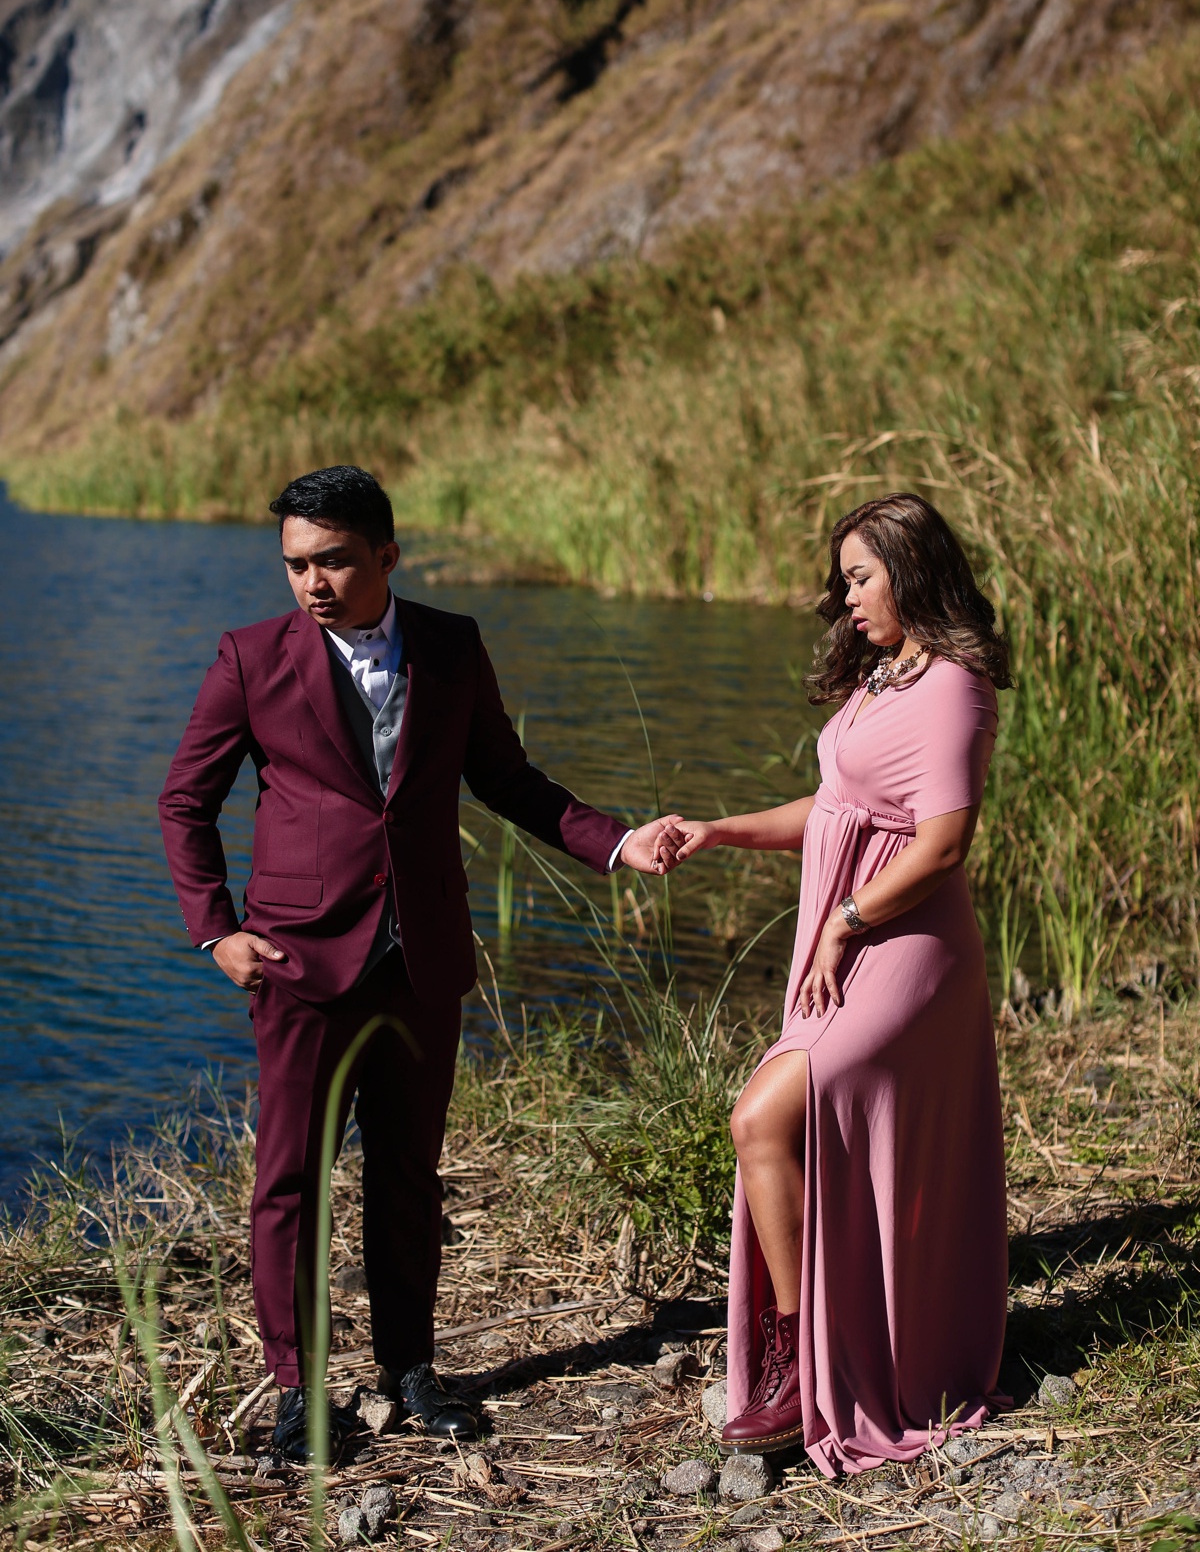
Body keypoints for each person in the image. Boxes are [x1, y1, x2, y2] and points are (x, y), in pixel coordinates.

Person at [159, 465, 682, 1460]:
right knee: (292, 1183)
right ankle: (300, 1391)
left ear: (387, 556)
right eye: (294, 565)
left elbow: (507, 779)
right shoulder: (249, 658)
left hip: (420, 958)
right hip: (298, 961)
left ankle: (410, 1369)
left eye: (333, 561)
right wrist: (214, 928)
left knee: (408, 1177)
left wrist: (616, 843)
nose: (311, 583)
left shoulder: (450, 645)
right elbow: (184, 800)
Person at [657, 493, 1011, 1474]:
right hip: (854, 937)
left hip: (907, 948)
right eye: (842, 578)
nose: (844, 596)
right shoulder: (884, 677)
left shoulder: (952, 686)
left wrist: (848, 921)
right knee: (789, 1121)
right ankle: (802, 1350)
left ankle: (798, 1353)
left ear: (911, 567)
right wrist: (720, 830)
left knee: (763, 1116)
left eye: (860, 575)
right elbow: (837, 807)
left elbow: (941, 844)